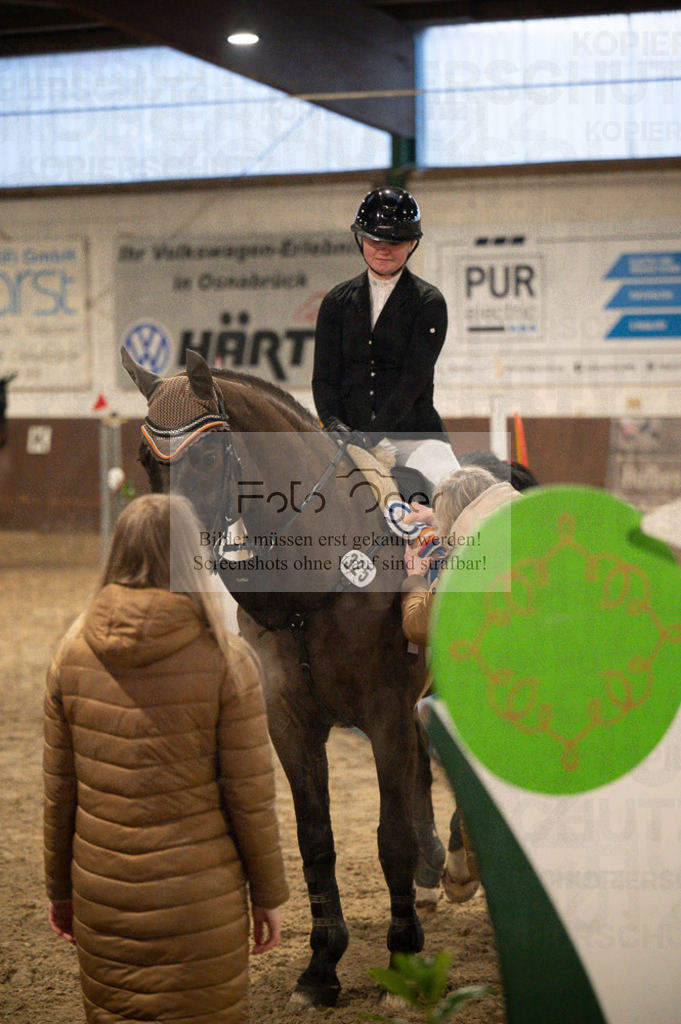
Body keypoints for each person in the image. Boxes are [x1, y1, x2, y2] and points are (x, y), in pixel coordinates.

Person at [44, 494, 288, 1024]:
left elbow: (60, 794)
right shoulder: (227, 659)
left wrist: (60, 891)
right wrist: (268, 893)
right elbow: (250, 798)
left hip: (103, 897)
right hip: (200, 900)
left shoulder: (70, 651)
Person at [400, 466, 522, 904]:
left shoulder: (467, 561)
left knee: (487, 829)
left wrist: (415, 577)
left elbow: (419, 626)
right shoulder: (530, 519)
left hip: (501, 709)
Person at [312, 185, 459, 493]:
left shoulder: (428, 303)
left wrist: (371, 435)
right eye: (374, 239)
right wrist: (334, 424)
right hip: (348, 437)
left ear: (411, 244)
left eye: (395, 241)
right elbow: (324, 379)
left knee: (453, 490)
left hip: (413, 437)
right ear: (361, 239)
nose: (383, 249)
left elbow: (412, 383)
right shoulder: (336, 302)